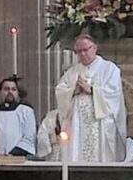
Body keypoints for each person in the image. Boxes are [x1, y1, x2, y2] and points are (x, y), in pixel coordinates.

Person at [54, 34, 127, 162]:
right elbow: (60, 91)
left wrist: (92, 90)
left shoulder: (109, 68)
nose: (82, 54)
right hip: (77, 124)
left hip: (100, 124)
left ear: (94, 48)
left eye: (85, 50)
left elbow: (114, 93)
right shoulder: (72, 72)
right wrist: (73, 91)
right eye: (79, 51)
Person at [0, 76, 36, 156]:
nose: (10, 92)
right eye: (6, 89)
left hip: (19, 159)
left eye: (13, 89)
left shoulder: (26, 112)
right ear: (0, 91)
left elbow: (29, 137)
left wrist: (12, 154)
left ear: (17, 93)